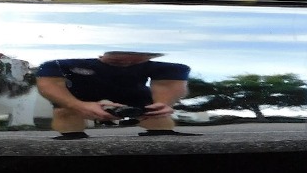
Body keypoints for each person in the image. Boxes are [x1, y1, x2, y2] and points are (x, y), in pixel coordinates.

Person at [34, 51, 190, 138]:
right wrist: (76, 105)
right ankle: (71, 138)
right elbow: (49, 83)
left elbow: (169, 84)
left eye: (134, 60)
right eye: (116, 58)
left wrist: (163, 104)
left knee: (156, 114)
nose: (125, 61)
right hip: (82, 92)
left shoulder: (168, 66)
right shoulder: (65, 63)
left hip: (132, 91)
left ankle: (163, 136)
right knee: (64, 111)